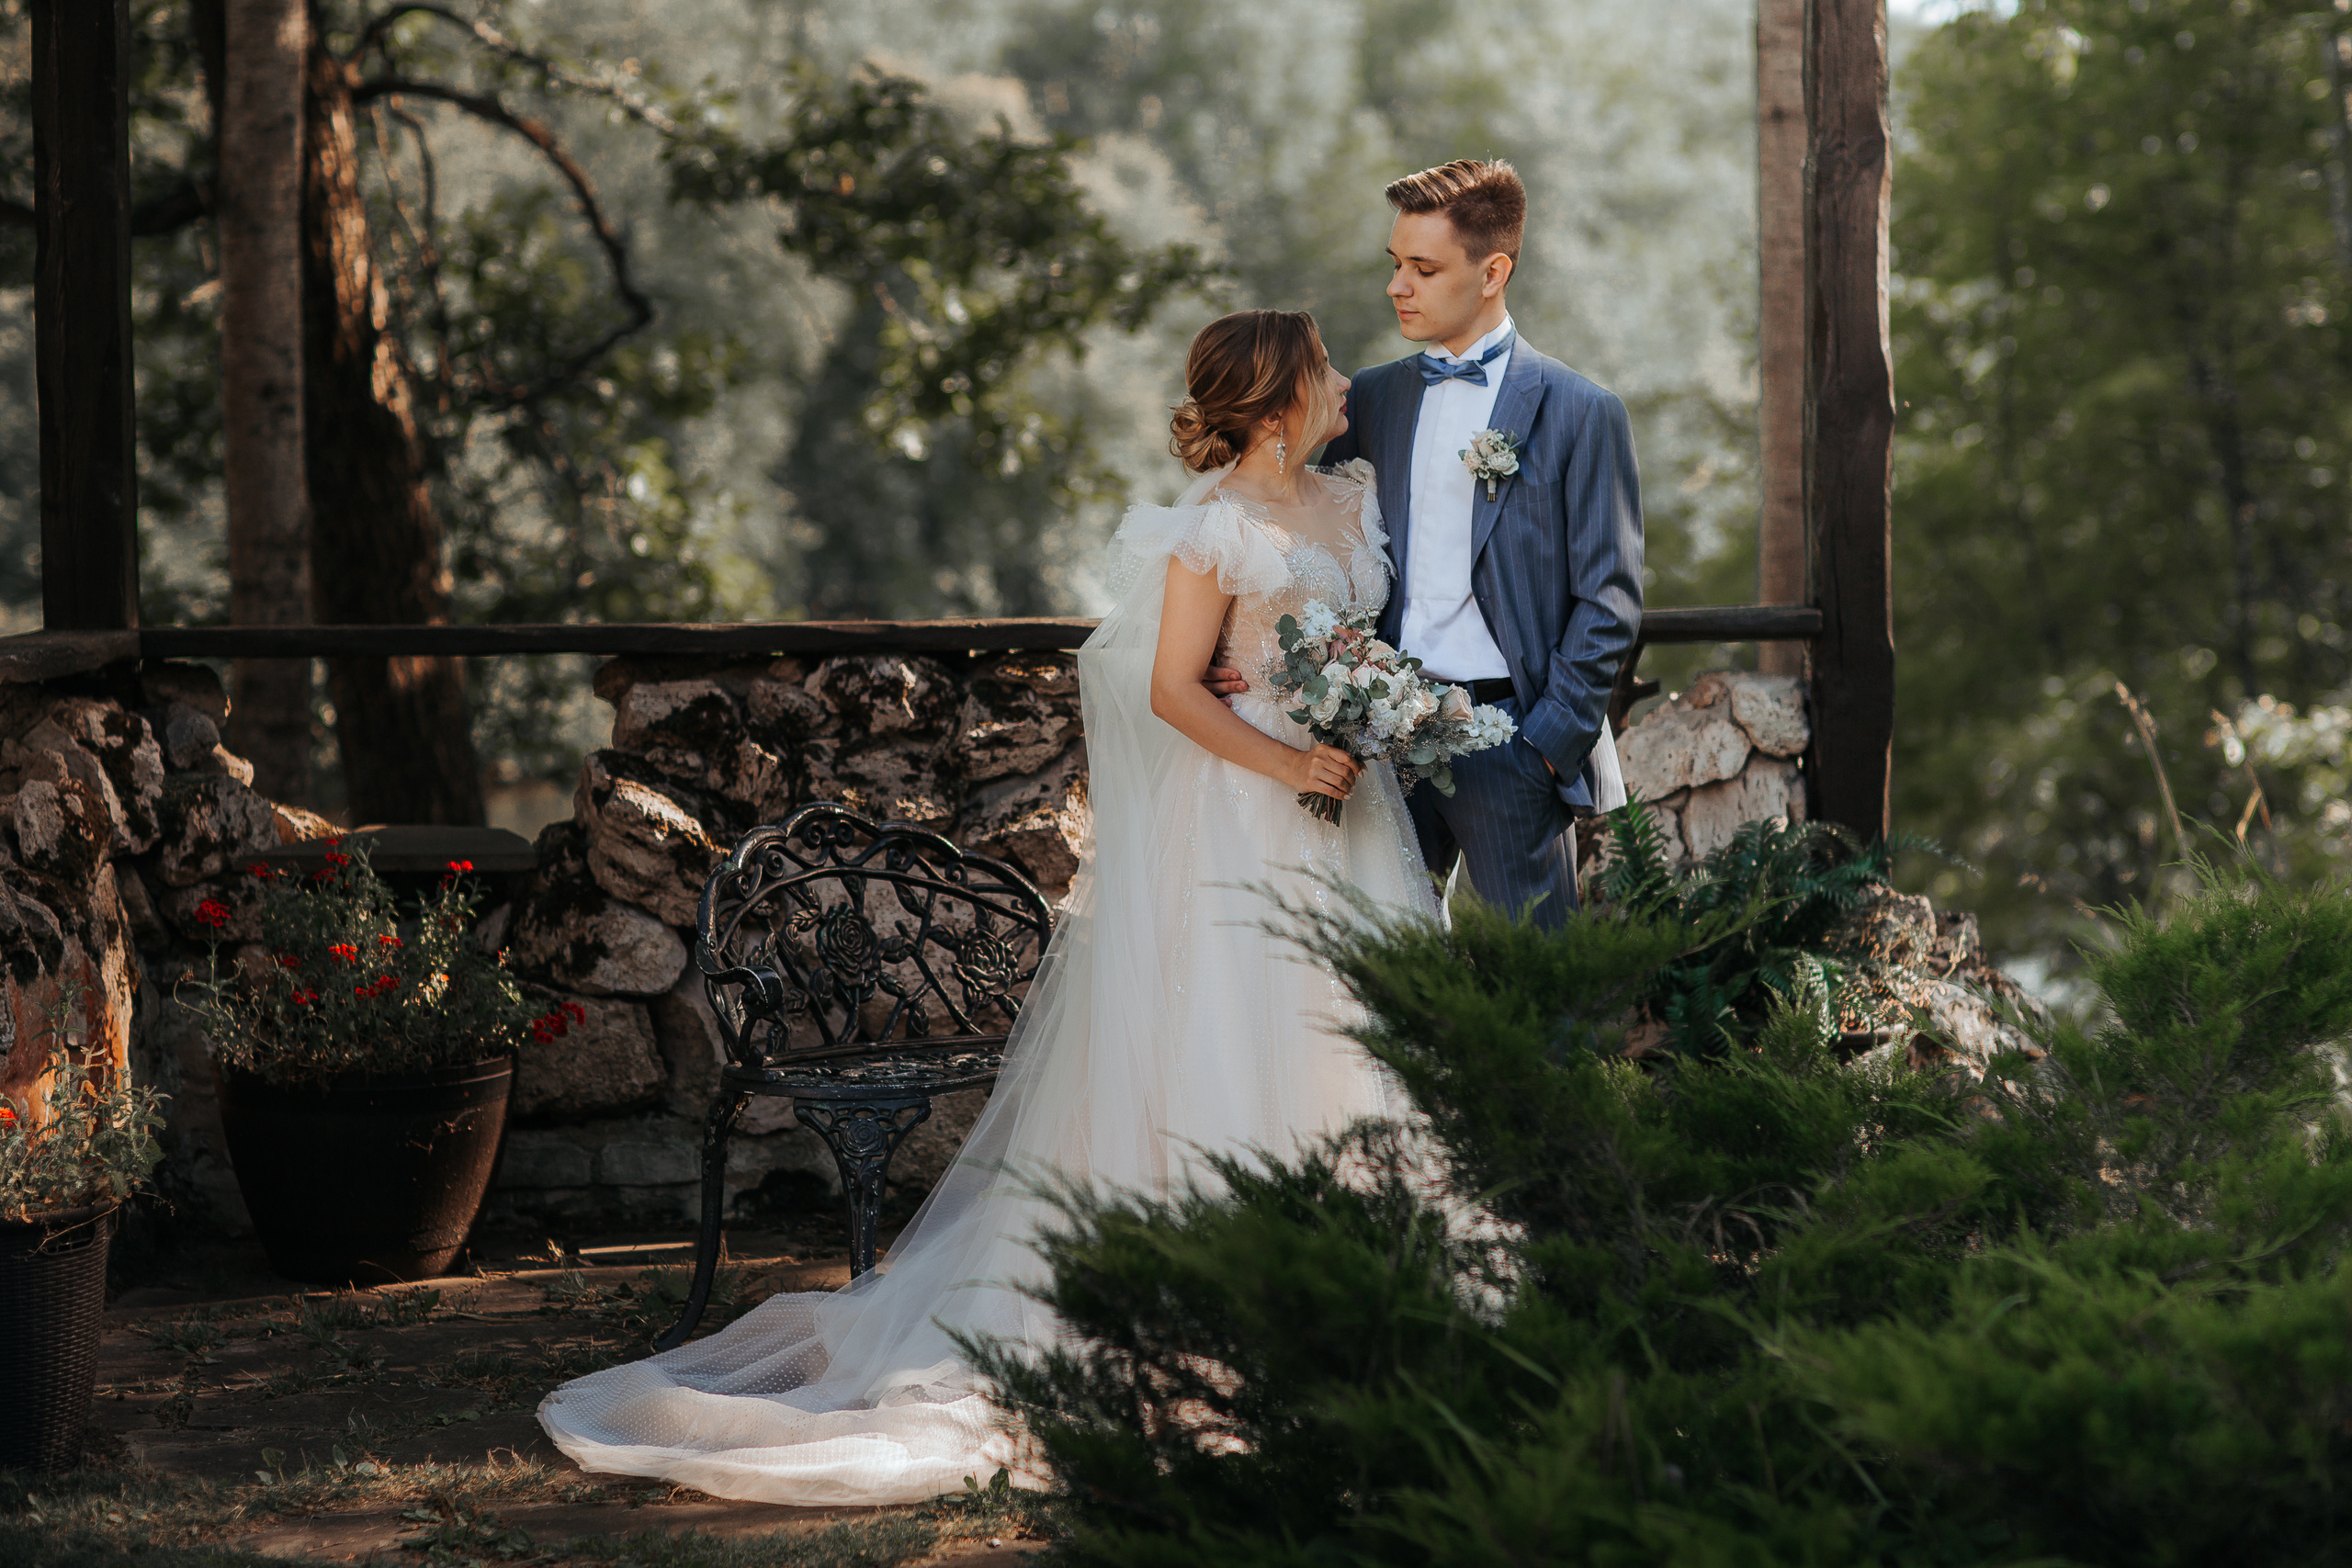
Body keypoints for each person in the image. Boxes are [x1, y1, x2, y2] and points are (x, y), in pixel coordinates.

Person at [537, 310, 1439, 1506]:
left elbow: (1365, 638)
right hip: (1252, 810)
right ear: (1276, 401)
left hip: (1356, 813)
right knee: (1245, 1029)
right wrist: (1290, 759)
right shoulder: (1210, 528)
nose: (1342, 381)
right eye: (1320, 367)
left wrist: (1373, 712)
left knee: (1353, 1034)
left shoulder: (1352, 497)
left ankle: (1374, 1272)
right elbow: (1172, 691)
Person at [1216, 158, 1642, 926]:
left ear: (1493, 272)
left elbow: (1609, 600)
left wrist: (1548, 743)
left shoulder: (1583, 411)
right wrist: (1241, 652)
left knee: (1532, 978)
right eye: (1395, 264)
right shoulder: (1367, 399)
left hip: (1511, 739)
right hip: (1373, 742)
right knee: (1374, 970)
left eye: (1424, 268)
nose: (1397, 286)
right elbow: (1298, 529)